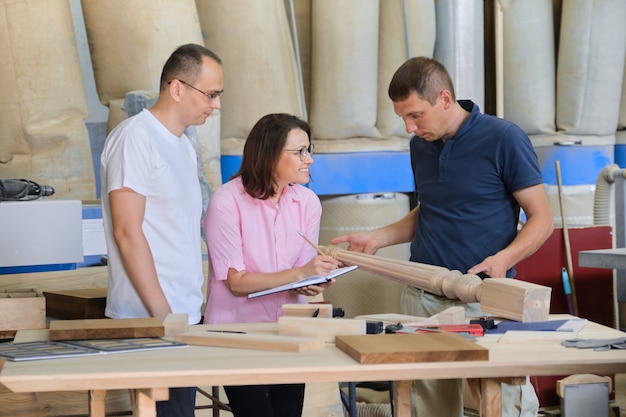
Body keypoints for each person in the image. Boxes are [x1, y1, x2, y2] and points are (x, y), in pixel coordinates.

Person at [330, 57, 554, 417]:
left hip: (485, 298)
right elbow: (432, 209)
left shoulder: (503, 138)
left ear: (445, 99)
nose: (409, 127)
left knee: (509, 405)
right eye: (403, 117)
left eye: (416, 115)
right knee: (429, 407)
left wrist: (504, 260)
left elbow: (542, 219)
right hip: (422, 298)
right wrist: (378, 238)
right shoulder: (421, 145)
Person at [100, 43, 223, 417]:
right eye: (211, 94)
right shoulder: (135, 138)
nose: (216, 105)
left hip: (181, 316)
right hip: (149, 318)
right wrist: (163, 317)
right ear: (177, 88)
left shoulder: (184, 145)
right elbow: (126, 231)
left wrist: (186, 316)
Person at [203, 113, 339, 417]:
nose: (309, 160)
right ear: (269, 154)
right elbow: (236, 283)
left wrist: (315, 279)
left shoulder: (307, 202)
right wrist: (302, 273)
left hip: (290, 330)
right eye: (300, 152)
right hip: (237, 335)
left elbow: (300, 274)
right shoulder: (226, 202)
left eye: (309, 150)